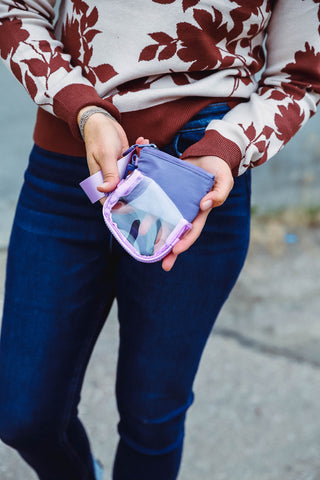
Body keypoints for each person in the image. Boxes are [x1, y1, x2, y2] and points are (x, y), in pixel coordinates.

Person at [0, 1, 319, 479]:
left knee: (153, 418)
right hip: (70, 158)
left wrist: (227, 148)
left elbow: (302, 76)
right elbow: (15, 11)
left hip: (196, 173)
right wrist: (83, 109)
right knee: (24, 415)